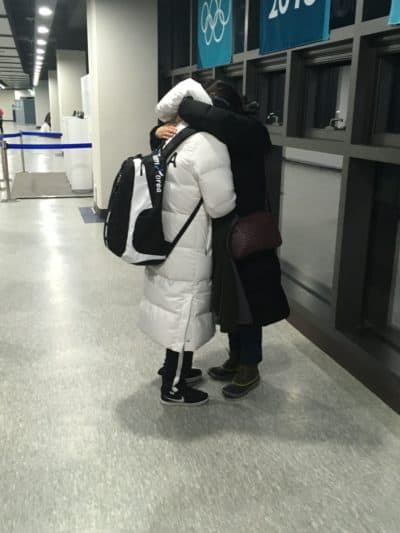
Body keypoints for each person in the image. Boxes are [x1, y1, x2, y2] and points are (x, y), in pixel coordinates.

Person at [153, 80, 290, 399]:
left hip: (247, 229)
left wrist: (187, 104)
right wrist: (158, 132)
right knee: (231, 299)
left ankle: (250, 365)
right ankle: (235, 358)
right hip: (224, 225)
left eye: (213, 107)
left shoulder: (250, 131)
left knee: (249, 301)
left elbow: (219, 122)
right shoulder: (221, 131)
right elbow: (178, 143)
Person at [139, 79, 236, 406]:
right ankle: (174, 386)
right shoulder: (208, 145)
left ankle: (177, 367)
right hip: (193, 243)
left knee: (175, 305)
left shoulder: (170, 138)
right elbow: (220, 205)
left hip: (168, 239)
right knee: (185, 312)